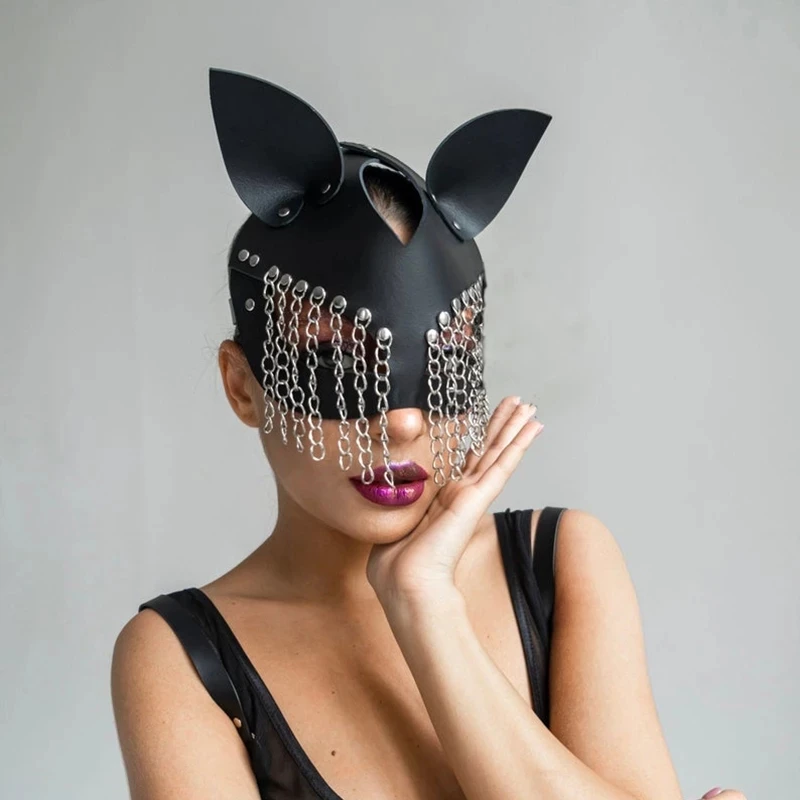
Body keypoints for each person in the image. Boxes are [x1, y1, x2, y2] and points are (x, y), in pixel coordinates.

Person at [110, 68, 743, 800]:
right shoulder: (178, 661)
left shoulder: (563, 563)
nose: (404, 420)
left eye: (440, 359)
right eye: (337, 360)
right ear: (242, 385)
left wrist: (425, 608)